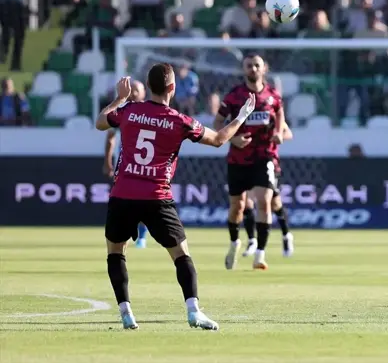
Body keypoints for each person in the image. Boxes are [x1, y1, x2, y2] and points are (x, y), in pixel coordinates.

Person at [94, 63, 255, 330]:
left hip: (123, 193)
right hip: (157, 196)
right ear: (172, 88)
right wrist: (241, 116)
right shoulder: (179, 121)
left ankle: (126, 312)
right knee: (181, 254)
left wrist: (119, 99)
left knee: (115, 251)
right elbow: (218, 140)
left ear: (150, 84)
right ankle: (193, 311)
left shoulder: (130, 111)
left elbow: (101, 122)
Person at [214, 54, 285, 271]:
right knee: (238, 207)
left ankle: (260, 255)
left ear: (264, 68)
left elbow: (280, 114)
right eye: (249, 66)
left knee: (264, 202)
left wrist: (279, 132)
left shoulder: (273, 95)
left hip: (264, 156)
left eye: (257, 65)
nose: (253, 69)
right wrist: (233, 139)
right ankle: (235, 242)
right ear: (244, 69)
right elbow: (217, 123)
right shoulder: (235, 96)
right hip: (238, 158)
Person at [103, 79, 149, 248]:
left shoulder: (151, 112)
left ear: (145, 92)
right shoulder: (122, 113)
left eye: (137, 90)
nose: (134, 93)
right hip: (126, 167)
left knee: (145, 202)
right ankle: (128, 234)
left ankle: (142, 236)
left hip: (148, 168)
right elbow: (110, 139)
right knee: (126, 203)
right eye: (132, 90)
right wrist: (108, 161)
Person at [241, 123, 295, 258]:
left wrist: (277, 136)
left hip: (268, 163)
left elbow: (288, 134)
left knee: (274, 204)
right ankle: (252, 240)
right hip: (246, 162)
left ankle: (286, 235)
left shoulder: (270, 112)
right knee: (245, 201)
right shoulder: (244, 113)